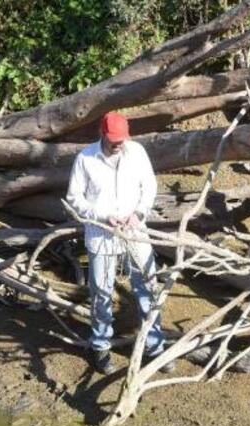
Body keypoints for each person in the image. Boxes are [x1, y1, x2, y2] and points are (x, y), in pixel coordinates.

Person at [65, 111, 171, 375]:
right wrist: (102, 216)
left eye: (122, 139)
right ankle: (100, 344)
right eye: (113, 139)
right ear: (102, 133)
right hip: (101, 235)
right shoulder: (85, 158)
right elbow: (74, 198)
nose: (118, 144)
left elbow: (150, 187)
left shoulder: (136, 153)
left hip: (135, 231)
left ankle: (155, 346)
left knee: (147, 285)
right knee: (101, 290)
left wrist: (138, 214)